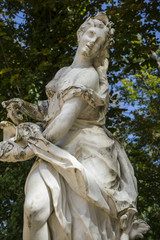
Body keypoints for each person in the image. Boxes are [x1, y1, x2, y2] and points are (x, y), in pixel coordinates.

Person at [0, 12, 149, 240]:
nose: (92, 42)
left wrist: (23, 150)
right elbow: (53, 108)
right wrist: (26, 107)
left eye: (99, 41)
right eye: (90, 34)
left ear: (101, 50)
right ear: (80, 34)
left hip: (84, 152)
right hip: (53, 148)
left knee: (82, 230)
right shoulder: (63, 73)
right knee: (33, 208)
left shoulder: (88, 76)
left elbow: (62, 122)